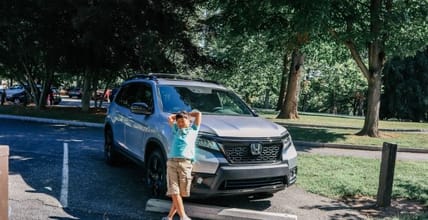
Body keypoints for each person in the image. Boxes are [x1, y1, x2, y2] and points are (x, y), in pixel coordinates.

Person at [163, 110, 202, 220]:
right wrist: (179, 116)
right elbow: (170, 118)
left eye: (182, 121)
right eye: (178, 121)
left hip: (185, 164)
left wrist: (187, 115)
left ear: (189, 121)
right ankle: (183, 216)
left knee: (181, 193)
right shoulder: (176, 130)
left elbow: (198, 114)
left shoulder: (193, 130)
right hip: (172, 162)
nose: (180, 123)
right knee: (174, 191)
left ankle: (169, 217)